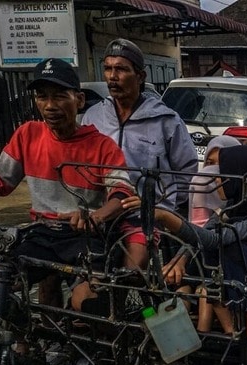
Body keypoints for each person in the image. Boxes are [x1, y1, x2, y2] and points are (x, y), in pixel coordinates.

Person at [0, 58, 131, 308]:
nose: (50, 106)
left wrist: (95, 217)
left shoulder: (102, 146)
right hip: (41, 234)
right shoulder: (28, 134)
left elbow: (122, 192)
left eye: (60, 96)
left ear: (79, 100)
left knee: (87, 305)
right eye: (42, 97)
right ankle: (16, 333)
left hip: (85, 236)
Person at [122, 146, 247, 354]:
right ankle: (210, 330)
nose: (217, 180)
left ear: (243, 178)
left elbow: (214, 239)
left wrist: (164, 216)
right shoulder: (232, 208)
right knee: (210, 252)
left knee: (229, 247)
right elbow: (204, 234)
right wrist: (180, 260)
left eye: (222, 176)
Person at [82, 38, 198, 269]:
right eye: (108, 68)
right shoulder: (93, 117)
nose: (113, 76)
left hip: (144, 217)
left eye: (121, 69)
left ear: (140, 76)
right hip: (99, 214)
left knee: (134, 269)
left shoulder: (165, 120)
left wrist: (160, 205)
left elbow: (186, 172)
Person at [162, 134, 241, 290]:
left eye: (220, 164)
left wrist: (164, 216)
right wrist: (179, 260)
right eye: (209, 163)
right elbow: (201, 230)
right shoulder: (202, 190)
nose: (212, 172)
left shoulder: (246, 210)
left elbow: (211, 238)